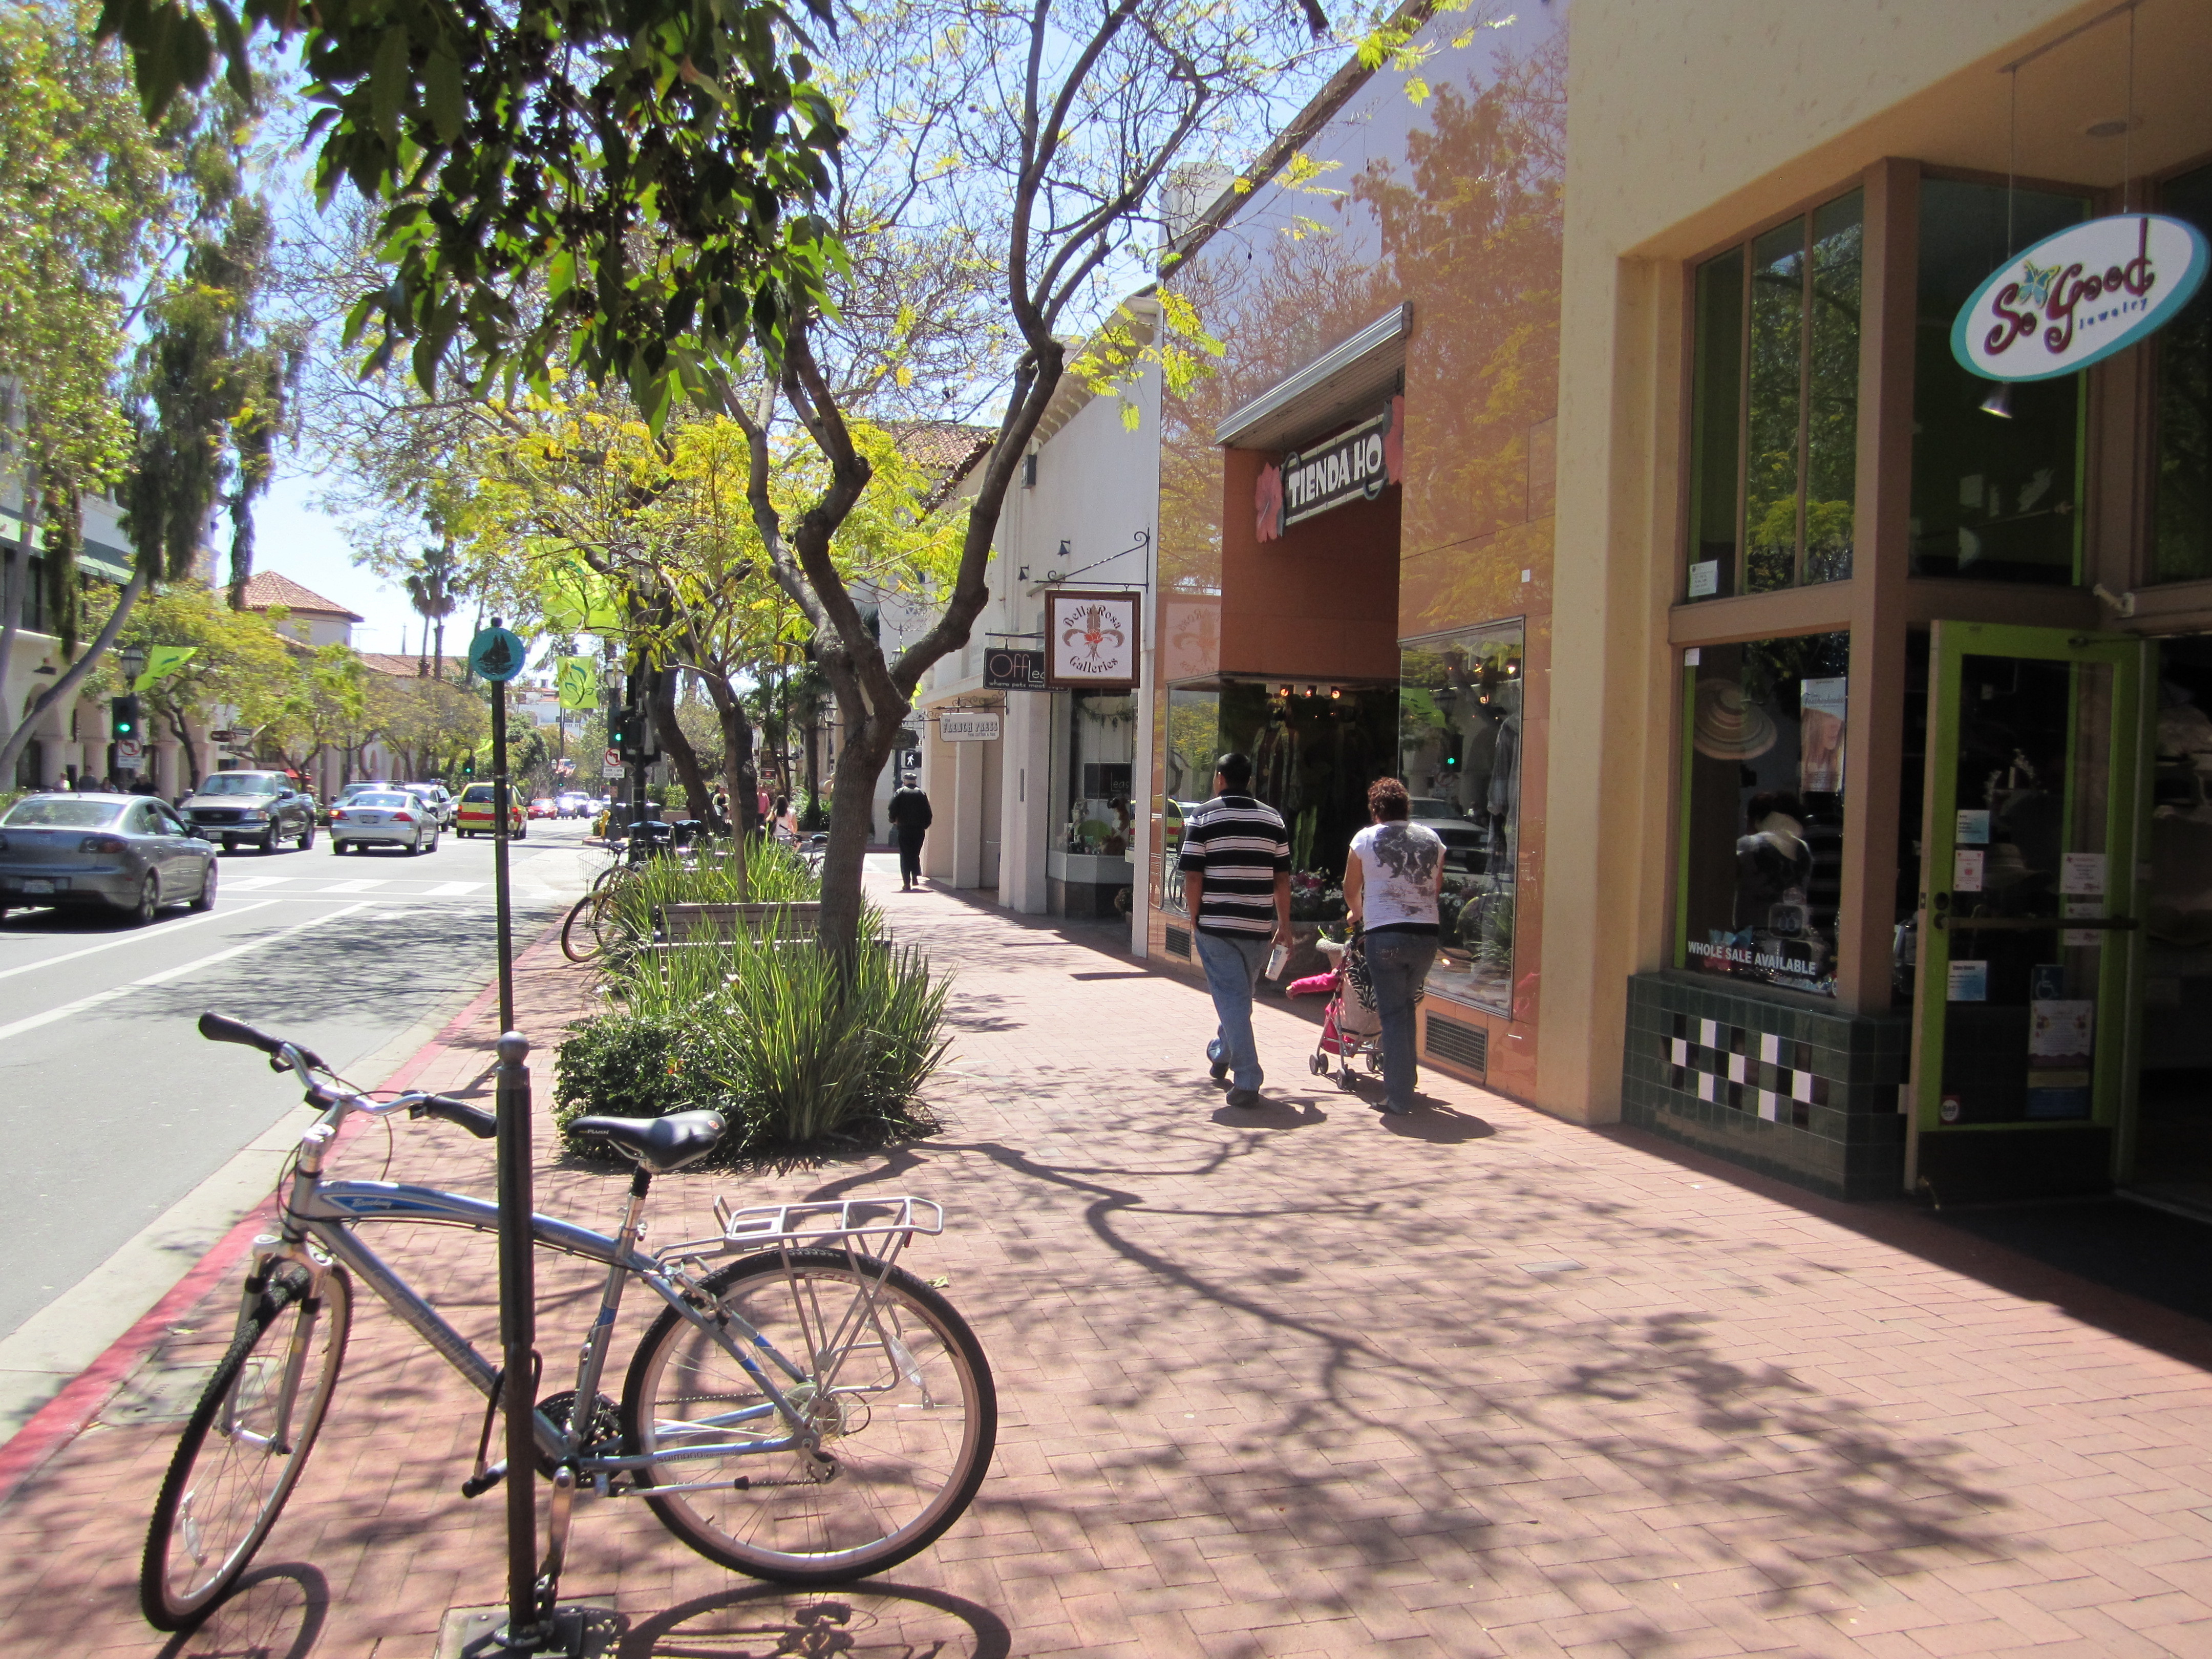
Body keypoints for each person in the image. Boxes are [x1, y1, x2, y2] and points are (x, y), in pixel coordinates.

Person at [1179, 752, 1292, 1108]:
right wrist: (1284, 924)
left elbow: (1193, 874)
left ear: (1220, 778)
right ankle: (1221, 1053)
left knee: (1232, 999)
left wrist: (1195, 917)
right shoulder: (1273, 819)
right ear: (1250, 781)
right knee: (1239, 998)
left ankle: (1248, 1078)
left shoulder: (1203, 815)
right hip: (1257, 925)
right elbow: (1282, 878)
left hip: (1216, 924)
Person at [1341, 776, 1446, 1115]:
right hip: (1426, 935)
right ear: (1406, 808)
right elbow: (1436, 887)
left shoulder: (1365, 838)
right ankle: (1407, 1078)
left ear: (1376, 811)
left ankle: (1399, 1097)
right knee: (1405, 1007)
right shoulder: (1432, 839)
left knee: (1393, 1013)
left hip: (1385, 934)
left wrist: (1356, 912)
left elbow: (1350, 887)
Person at [886, 780, 933, 891]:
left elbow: (892, 807)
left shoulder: (900, 792)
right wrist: (925, 825)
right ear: (915, 781)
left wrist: (893, 819)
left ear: (905, 781)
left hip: (904, 828)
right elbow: (928, 812)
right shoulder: (921, 793)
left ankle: (907, 882)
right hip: (918, 829)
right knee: (915, 853)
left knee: (905, 854)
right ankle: (915, 876)